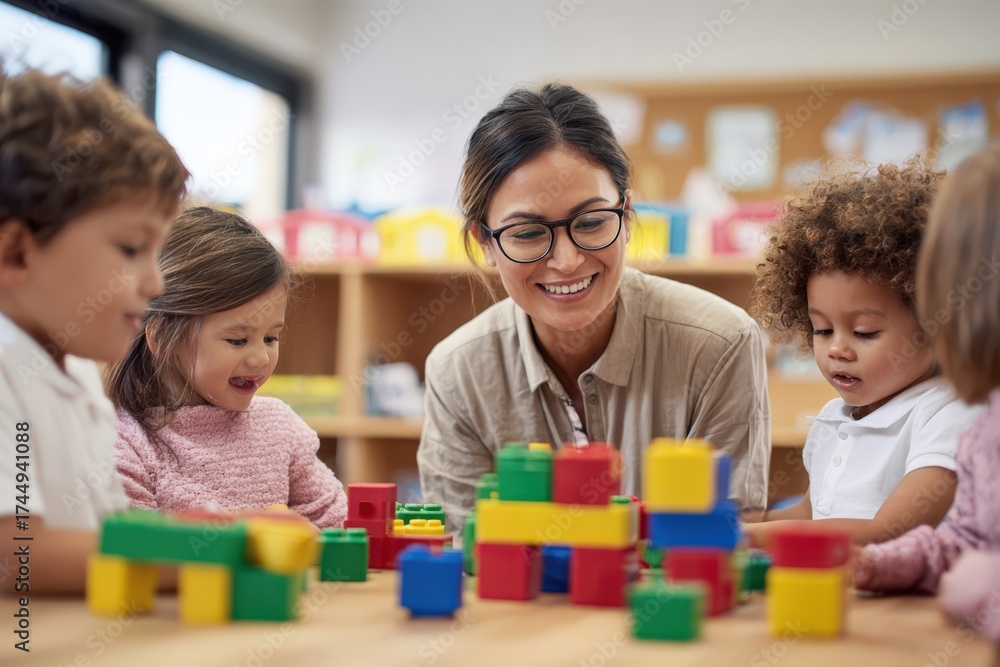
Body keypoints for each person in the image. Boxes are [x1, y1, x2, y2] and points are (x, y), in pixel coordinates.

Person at [417, 83, 770, 534]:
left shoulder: (719, 344)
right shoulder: (458, 372)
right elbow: (468, 554)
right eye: (526, 233)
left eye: (591, 222)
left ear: (626, 216)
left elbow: (718, 545)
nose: (566, 261)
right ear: (483, 242)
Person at [0, 67, 189, 594]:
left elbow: (104, 534)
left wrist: (195, 530)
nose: (154, 281)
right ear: (15, 252)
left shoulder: (80, 373)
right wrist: (192, 557)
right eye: (131, 249)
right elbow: (16, 554)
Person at [744, 158, 982, 547]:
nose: (837, 348)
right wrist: (745, 521)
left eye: (864, 332)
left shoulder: (948, 415)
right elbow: (812, 514)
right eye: (822, 329)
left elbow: (887, 532)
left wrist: (747, 539)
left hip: (908, 607)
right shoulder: (832, 419)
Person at [106, 207, 347, 529]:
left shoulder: (279, 428)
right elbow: (133, 555)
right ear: (163, 337)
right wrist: (246, 535)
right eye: (237, 340)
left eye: (271, 338)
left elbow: (339, 528)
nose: (261, 358)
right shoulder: (126, 441)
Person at [853, 144, 1000, 642]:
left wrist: (976, 587)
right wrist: (882, 564)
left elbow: (976, 575)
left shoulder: (951, 414)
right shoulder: (987, 427)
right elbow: (962, 541)